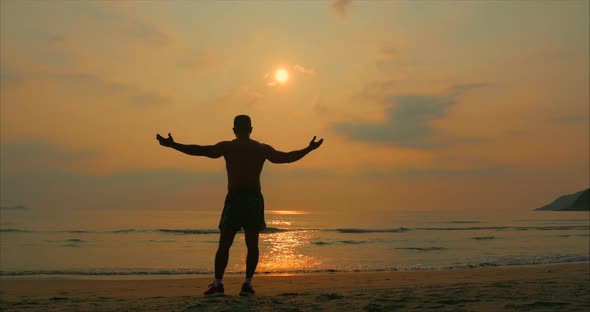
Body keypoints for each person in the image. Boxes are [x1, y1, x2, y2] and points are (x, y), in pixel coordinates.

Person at [156, 115, 323, 296]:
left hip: (235, 199)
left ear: (234, 130)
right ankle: (247, 284)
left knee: (224, 244)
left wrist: (173, 145)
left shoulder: (228, 146)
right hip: (253, 200)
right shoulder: (261, 148)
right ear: (251, 129)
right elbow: (286, 158)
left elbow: (200, 150)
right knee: (252, 245)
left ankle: (219, 284)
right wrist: (309, 149)